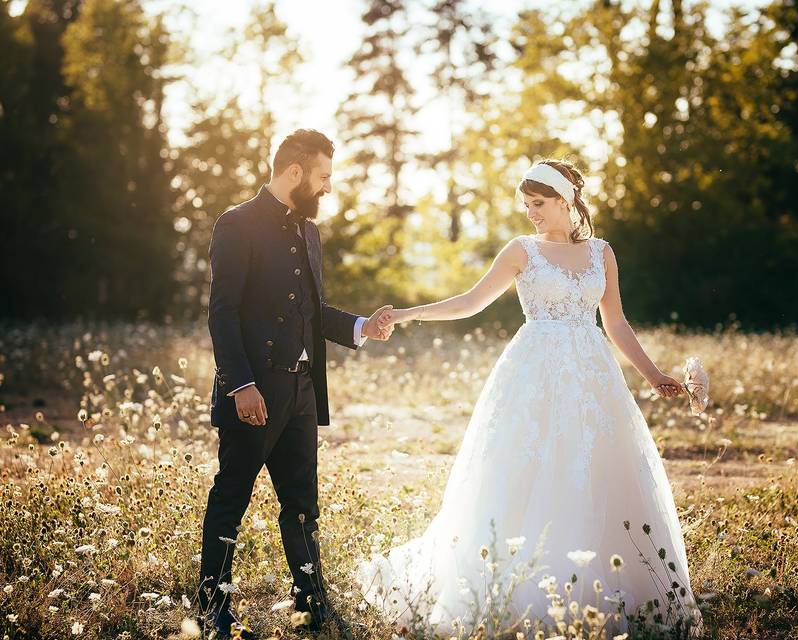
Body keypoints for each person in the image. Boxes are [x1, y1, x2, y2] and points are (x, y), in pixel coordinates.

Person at [356, 159, 704, 637]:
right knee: (524, 470)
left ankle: (609, 592)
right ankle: (519, 593)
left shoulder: (602, 253)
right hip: (533, 374)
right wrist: (405, 314)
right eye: (527, 205)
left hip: (592, 376)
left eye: (538, 204)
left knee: (598, 469)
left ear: (566, 201)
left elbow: (615, 323)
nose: (531, 213)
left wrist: (653, 374)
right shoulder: (521, 251)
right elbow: (470, 302)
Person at [200, 129, 393, 639]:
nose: (328, 187)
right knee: (231, 498)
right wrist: (240, 385)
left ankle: (311, 600)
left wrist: (361, 327)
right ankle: (212, 606)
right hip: (254, 392)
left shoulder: (309, 233)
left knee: (303, 503)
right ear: (294, 173)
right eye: (324, 176)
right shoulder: (236, 224)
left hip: (303, 391)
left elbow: (313, 310)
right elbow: (223, 314)